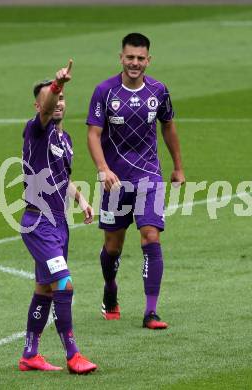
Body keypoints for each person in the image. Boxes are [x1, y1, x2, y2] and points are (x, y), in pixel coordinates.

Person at [87, 33, 185, 329]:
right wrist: (103, 168)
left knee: (151, 237)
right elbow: (93, 133)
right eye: (130, 57)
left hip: (149, 176)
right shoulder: (105, 91)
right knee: (112, 247)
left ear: (148, 60)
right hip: (115, 182)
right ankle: (110, 289)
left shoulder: (158, 91)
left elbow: (168, 126)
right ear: (121, 58)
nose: (135, 63)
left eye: (140, 58)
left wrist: (178, 167)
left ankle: (151, 312)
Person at [19, 60, 97, 374]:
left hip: (59, 224)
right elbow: (47, 106)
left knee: (44, 289)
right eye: (54, 98)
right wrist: (57, 84)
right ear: (41, 105)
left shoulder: (66, 141)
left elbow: (63, 178)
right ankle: (73, 354)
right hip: (38, 223)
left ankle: (30, 354)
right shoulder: (37, 130)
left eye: (63, 98)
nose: (59, 102)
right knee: (63, 284)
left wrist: (81, 199)